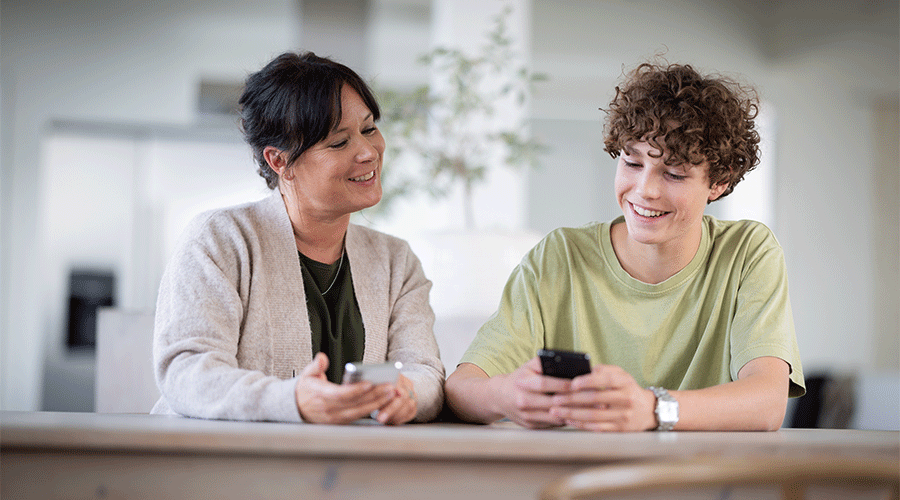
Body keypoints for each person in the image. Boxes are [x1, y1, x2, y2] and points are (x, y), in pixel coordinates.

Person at [444, 62, 805, 432]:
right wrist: (506, 395)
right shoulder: (560, 256)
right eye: (632, 162)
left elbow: (767, 402)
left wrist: (652, 409)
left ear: (718, 183)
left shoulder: (747, 252)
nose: (644, 189)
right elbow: (461, 389)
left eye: (674, 173)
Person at [151, 52, 444, 425]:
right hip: (222, 469)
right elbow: (186, 372)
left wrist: (407, 394)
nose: (369, 152)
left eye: (369, 129)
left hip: (346, 475)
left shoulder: (395, 260)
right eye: (339, 143)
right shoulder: (221, 239)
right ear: (279, 161)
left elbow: (426, 373)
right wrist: (290, 400)